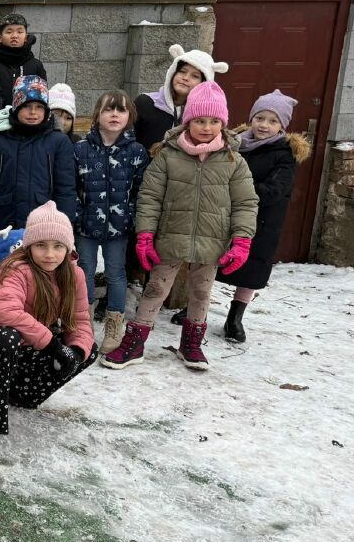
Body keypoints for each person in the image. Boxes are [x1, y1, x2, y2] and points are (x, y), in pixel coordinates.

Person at [102, 82, 258, 371]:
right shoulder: (168, 154)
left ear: (223, 123)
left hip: (212, 240)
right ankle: (135, 343)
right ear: (188, 121)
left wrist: (242, 240)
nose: (207, 127)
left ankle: (191, 344)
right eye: (200, 121)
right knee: (155, 289)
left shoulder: (233, 160)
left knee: (201, 293)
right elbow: (150, 196)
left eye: (214, 121)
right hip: (170, 237)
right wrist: (145, 235)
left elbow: (246, 203)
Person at [0, 202, 97, 458]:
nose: (50, 254)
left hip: (27, 341)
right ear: (29, 246)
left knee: (86, 348)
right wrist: (54, 346)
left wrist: (75, 353)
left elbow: (79, 321)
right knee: (6, 336)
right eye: (41, 245)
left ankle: (21, 395)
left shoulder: (74, 275)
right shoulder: (14, 269)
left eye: (58, 246)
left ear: (68, 248)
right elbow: (6, 314)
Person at [171, 89, 310, 342]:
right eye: (260, 118)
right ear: (251, 118)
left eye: (273, 121)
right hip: (225, 215)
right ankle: (196, 308)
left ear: (282, 125)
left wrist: (238, 191)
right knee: (209, 261)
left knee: (251, 269)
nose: (264, 125)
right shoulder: (235, 144)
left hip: (262, 220)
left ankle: (235, 317)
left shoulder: (284, 153)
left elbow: (276, 189)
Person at [73, 91, 150, 353]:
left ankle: (114, 323)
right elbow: (72, 187)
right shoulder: (81, 150)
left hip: (119, 227)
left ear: (130, 116)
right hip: (86, 225)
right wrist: (78, 215)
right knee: (84, 269)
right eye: (108, 109)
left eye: (121, 110)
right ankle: (83, 323)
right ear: (97, 115)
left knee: (116, 273)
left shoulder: (136, 152)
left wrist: (131, 215)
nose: (114, 114)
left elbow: (141, 190)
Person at [0, 75, 76, 236]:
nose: (33, 112)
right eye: (27, 106)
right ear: (16, 105)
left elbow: (65, 189)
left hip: (44, 221)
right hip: (3, 219)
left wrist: (66, 222)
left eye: (39, 106)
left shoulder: (58, 142)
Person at [133, 44, 228, 151]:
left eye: (195, 76)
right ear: (173, 72)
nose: (186, 78)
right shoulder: (146, 103)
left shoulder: (202, 115)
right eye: (182, 71)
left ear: (204, 82)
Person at [0, 12, 47, 95]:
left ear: (26, 37)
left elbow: (42, 96)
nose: (14, 36)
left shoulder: (36, 66)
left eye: (20, 32)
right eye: (9, 32)